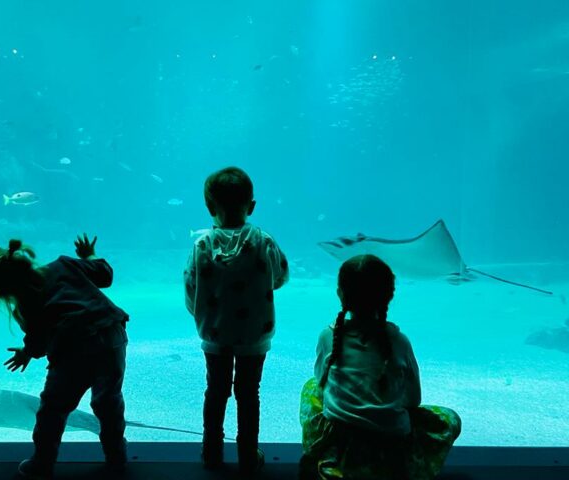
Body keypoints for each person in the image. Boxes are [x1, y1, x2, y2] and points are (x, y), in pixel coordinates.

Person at [0, 234, 128, 479]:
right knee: (108, 401)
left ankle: (42, 463)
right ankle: (117, 458)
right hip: (111, 336)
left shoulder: (25, 303)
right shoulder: (65, 264)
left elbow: (39, 341)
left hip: (74, 350)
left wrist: (27, 354)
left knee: (53, 409)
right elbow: (105, 275)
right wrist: (89, 255)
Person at [299, 254, 461, 480]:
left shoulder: (329, 336)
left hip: (343, 442)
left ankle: (330, 459)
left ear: (340, 294)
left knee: (311, 388)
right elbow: (414, 400)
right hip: (393, 448)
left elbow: (321, 380)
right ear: (389, 295)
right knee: (448, 418)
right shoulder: (400, 341)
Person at [184, 166, 289, 473]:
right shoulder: (264, 241)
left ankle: (212, 453)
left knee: (216, 392)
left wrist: (204, 315)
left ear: (208, 207)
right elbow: (279, 276)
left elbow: (191, 289)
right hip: (255, 336)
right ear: (251, 206)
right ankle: (246, 454)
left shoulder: (201, 245)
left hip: (214, 336)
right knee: (248, 392)